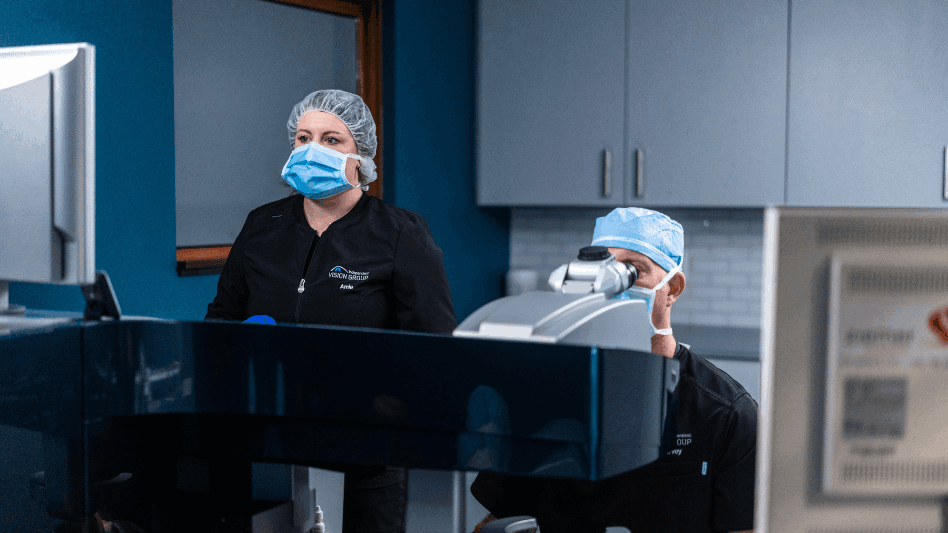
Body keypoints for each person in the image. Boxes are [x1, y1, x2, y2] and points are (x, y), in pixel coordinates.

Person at [206, 89, 457, 533]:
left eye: (331, 139)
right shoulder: (262, 225)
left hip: (364, 447)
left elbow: (434, 347)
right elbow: (221, 319)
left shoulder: (400, 233)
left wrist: (382, 401)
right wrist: (240, 341)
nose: (312, 150)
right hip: (269, 439)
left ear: (361, 156)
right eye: (303, 138)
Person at [470, 207, 757, 533]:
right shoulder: (544, 398)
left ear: (673, 288)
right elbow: (499, 518)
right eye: (603, 268)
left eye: (632, 270)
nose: (612, 285)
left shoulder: (726, 415)